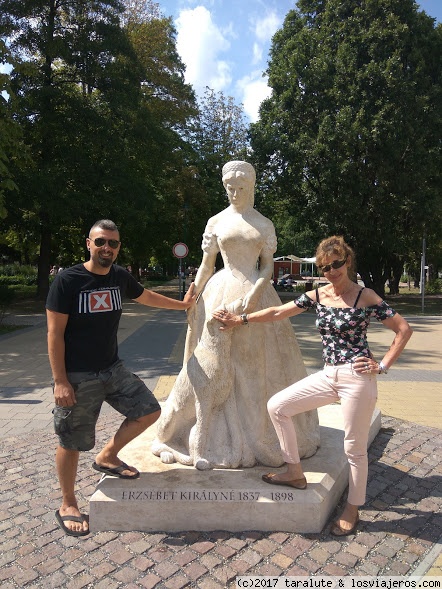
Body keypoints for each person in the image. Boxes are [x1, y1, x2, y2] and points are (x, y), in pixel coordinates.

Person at [213, 235, 412, 536]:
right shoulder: (319, 295)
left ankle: (352, 509)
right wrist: (241, 319)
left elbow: (403, 329)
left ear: (347, 262)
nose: (332, 272)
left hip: (357, 378)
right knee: (278, 406)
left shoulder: (365, 296)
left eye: (336, 265)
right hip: (328, 374)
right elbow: (279, 312)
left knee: (354, 449)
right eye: (325, 267)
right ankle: (294, 471)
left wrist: (382, 365)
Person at [151, 161, 319, 470]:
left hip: (255, 293)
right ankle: (209, 436)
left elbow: (267, 266)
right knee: (215, 363)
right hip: (219, 292)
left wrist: (253, 295)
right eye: (229, 187)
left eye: (241, 187)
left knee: (254, 364)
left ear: (252, 187)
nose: (234, 192)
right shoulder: (216, 221)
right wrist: (192, 294)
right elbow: (206, 265)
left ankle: (257, 432)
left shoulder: (264, 224)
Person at [46, 219, 196, 537]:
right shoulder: (68, 280)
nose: (107, 248)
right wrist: (60, 381)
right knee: (71, 441)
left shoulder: (119, 277)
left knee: (149, 410)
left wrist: (181, 305)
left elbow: (147, 297)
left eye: (113, 243)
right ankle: (68, 503)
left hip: (112, 368)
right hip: (78, 375)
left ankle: (108, 456)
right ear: (88, 243)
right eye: (101, 242)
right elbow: (54, 334)